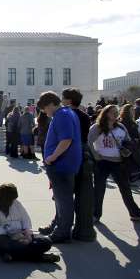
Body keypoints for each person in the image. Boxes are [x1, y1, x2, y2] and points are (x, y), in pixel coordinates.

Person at [88, 105, 140, 224]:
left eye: (116, 112)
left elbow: (127, 141)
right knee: (99, 190)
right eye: (112, 112)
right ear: (106, 113)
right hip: (102, 162)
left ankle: (136, 214)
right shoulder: (97, 127)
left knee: (126, 189)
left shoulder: (121, 127)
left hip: (118, 162)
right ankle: (95, 215)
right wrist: (96, 156)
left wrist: (128, 149)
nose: (115, 114)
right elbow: (89, 142)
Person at [38, 91, 82, 243]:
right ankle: (58, 225)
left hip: (60, 164)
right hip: (63, 163)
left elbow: (66, 139)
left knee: (63, 200)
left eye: (44, 109)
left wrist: (52, 157)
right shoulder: (67, 113)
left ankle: (63, 232)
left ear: (50, 104)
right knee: (60, 198)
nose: (45, 113)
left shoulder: (62, 115)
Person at [0, 183, 59, 263]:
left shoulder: (16, 203)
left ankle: (13, 256)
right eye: (10, 200)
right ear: (3, 198)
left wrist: (28, 235)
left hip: (22, 236)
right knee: (6, 245)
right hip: (5, 238)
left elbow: (26, 220)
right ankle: (39, 257)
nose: (12, 202)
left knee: (46, 242)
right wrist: (10, 232)